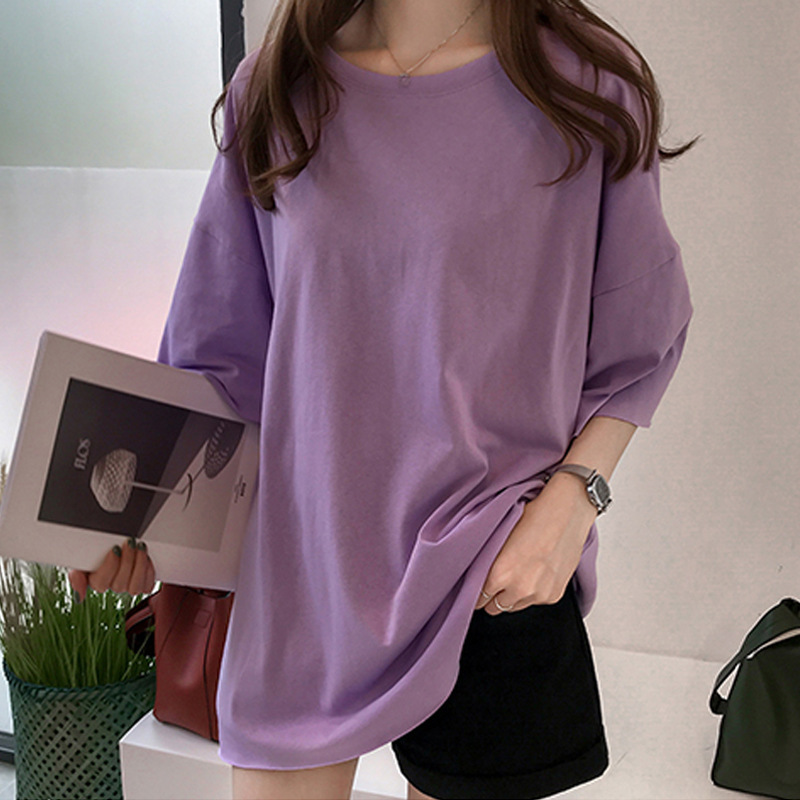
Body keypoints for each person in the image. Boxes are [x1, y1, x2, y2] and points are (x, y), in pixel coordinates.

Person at [70, 1, 697, 798]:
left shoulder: (583, 84)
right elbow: (219, 359)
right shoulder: (277, 89)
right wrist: (141, 523)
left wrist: (573, 502)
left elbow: (641, 335)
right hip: (305, 573)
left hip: (493, 561)